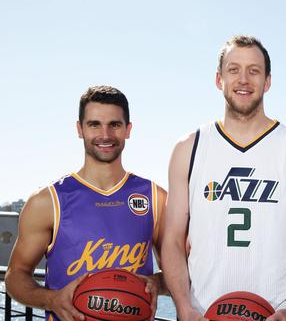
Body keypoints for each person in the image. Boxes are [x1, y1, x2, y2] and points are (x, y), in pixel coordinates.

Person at [162, 35, 286, 321]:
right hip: (204, 314)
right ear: (219, 79)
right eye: (234, 69)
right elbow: (173, 240)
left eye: (254, 70)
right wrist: (184, 308)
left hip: (274, 313)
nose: (244, 79)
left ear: (268, 81)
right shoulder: (189, 148)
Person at [5, 85, 167, 321]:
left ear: (128, 130)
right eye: (94, 124)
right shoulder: (47, 202)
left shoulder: (155, 198)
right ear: (79, 129)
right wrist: (51, 299)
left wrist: (157, 282)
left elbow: (181, 272)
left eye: (115, 124)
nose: (105, 135)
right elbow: (15, 274)